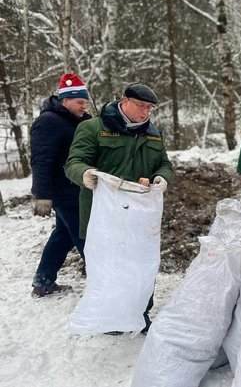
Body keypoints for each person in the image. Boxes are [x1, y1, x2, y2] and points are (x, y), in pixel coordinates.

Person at [64, 83, 174, 333]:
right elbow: (74, 162)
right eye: (141, 106)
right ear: (124, 101)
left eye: (150, 108)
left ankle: (141, 315)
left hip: (139, 214)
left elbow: (164, 163)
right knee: (110, 267)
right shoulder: (93, 128)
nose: (146, 113)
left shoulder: (152, 133)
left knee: (140, 264)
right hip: (103, 215)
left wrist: (160, 178)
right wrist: (85, 174)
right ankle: (112, 319)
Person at [30, 73, 93, 298]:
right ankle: (103, 286)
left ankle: (43, 281)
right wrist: (42, 195)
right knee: (87, 239)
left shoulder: (81, 121)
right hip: (66, 193)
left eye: (85, 102)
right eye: (79, 102)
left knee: (63, 236)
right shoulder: (48, 122)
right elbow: (41, 160)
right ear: (64, 100)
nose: (84, 106)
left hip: (79, 190)